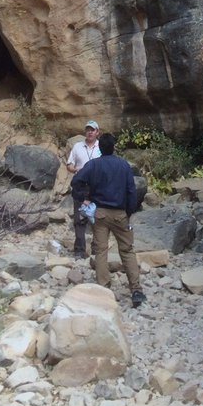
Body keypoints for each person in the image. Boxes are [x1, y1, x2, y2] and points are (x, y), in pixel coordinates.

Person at [71, 132, 145, 307]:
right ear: (113, 147)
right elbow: (131, 191)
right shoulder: (123, 165)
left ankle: (104, 289)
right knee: (127, 250)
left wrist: (82, 198)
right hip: (120, 214)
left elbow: (76, 181)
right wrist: (129, 212)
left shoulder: (93, 164)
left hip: (100, 213)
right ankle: (136, 290)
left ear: (100, 148)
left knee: (101, 251)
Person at [66, 118, 101, 258]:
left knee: (98, 218)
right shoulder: (77, 146)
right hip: (80, 186)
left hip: (97, 186)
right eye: (88, 129)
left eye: (92, 130)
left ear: (97, 132)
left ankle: (96, 250)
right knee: (79, 218)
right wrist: (76, 170)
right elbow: (69, 165)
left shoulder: (101, 147)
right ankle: (79, 251)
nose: (90, 132)